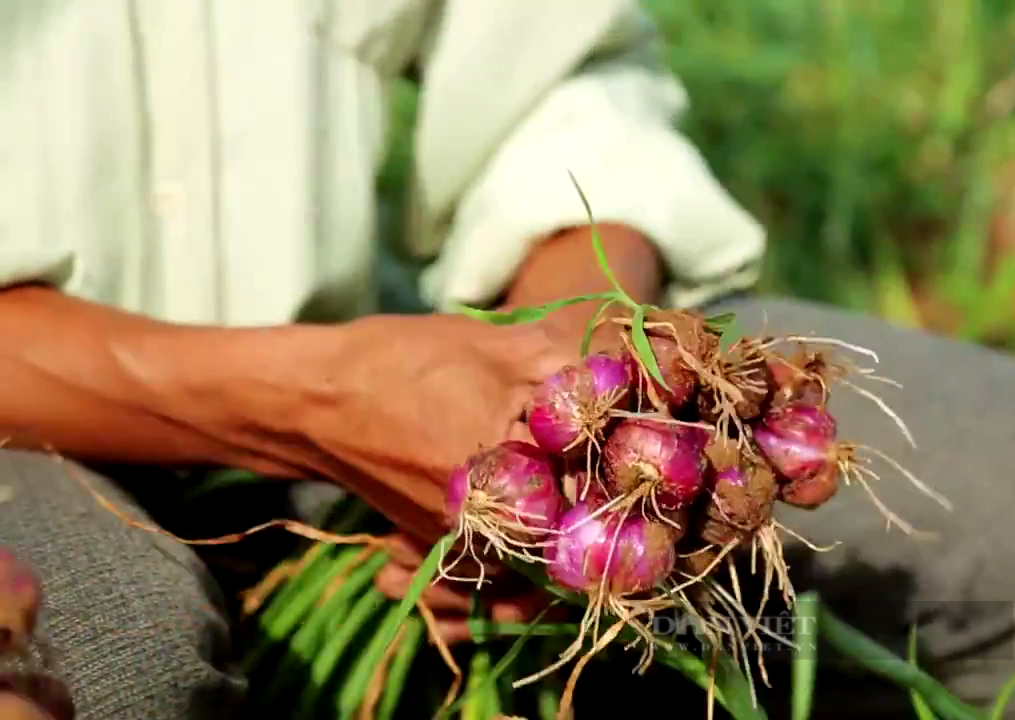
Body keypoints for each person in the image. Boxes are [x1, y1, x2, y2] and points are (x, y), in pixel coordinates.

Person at [0, 1, 1012, 718]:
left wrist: (561, 350)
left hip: (416, 363)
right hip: (30, 425)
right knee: (113, 666)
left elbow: (562, 85)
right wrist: (312, 401)